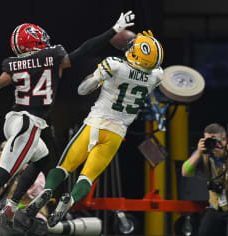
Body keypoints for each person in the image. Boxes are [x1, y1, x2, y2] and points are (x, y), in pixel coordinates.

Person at [0, 10, 136, 235]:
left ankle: (11, 205)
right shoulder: (53, 57)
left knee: (43, 157)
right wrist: (113, 30)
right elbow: (85, 50)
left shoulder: (14, 64)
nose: (45, 41)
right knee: (3, 174)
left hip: (16, 119)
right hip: (29, 123)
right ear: (33, 41)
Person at [25, 30, 165, 227]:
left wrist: (98, 75)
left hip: (96, 123)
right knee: (88, 177)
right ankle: (71, 199)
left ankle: (48, 191)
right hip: (117, 132)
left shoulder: (114, 65)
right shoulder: (156, 76)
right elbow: (153, 66)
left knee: (64, 167)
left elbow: (83, 90)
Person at [181, 123, 228, 236]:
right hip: (220, 204)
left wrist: (226, 156)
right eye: (207, 140)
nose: (211, 144)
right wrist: (198, 152)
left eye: (214, 140)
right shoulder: (204, 152)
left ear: (223, 139)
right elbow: (185, 172)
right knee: (205, 232)